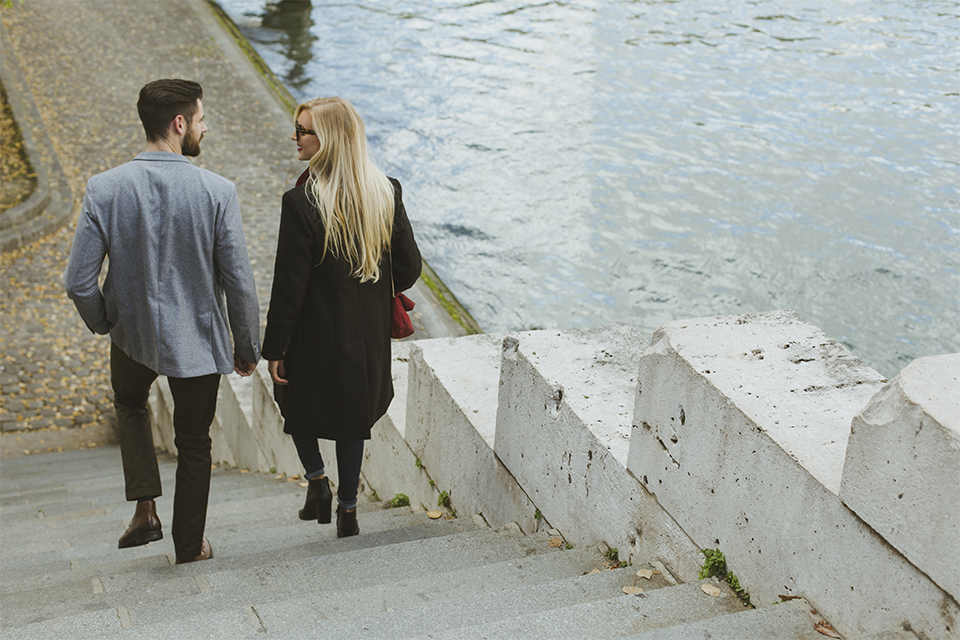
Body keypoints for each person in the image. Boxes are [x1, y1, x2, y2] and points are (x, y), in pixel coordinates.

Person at [63, 79, 261, 563]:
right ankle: (189, 547)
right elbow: (239, 282)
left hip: (131, 336)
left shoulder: (104, 188)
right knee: (194, 443)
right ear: (179, 124)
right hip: (197, 339)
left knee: (130, 404)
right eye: (200, 118)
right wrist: (248, 346)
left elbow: (78, 281)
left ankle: (145, 508)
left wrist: (108, 321)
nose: (205, 126)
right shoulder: (217, 191)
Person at [263, 97, 421, 538]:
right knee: (354, 419)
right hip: (366, 337)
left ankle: (317, 480)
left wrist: (275, 349)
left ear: (328, 140)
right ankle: (348, 511)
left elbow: (288, 288)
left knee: (289, 399)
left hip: (314, 336)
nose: (294, 137)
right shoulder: (385, 190)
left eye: (303, 131)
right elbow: (408, 269)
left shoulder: (301, 203)